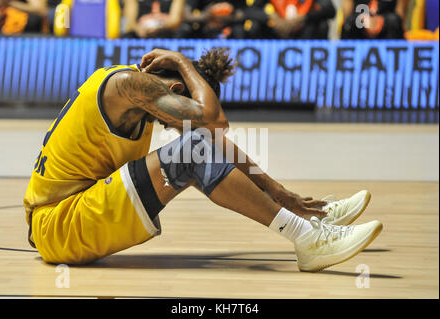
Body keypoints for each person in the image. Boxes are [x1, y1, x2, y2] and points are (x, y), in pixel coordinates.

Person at [24, 48, 383, 272]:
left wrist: (282, 193)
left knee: (198, 144)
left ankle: (306, 217)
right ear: (177, 89)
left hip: (71, 219)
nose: (170, 125)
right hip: (60, 224)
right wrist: (180, 59)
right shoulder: (127, 85)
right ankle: (307, 238)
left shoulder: (134, 93)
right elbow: (213, 120)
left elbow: (212, 138)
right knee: (193, 148)